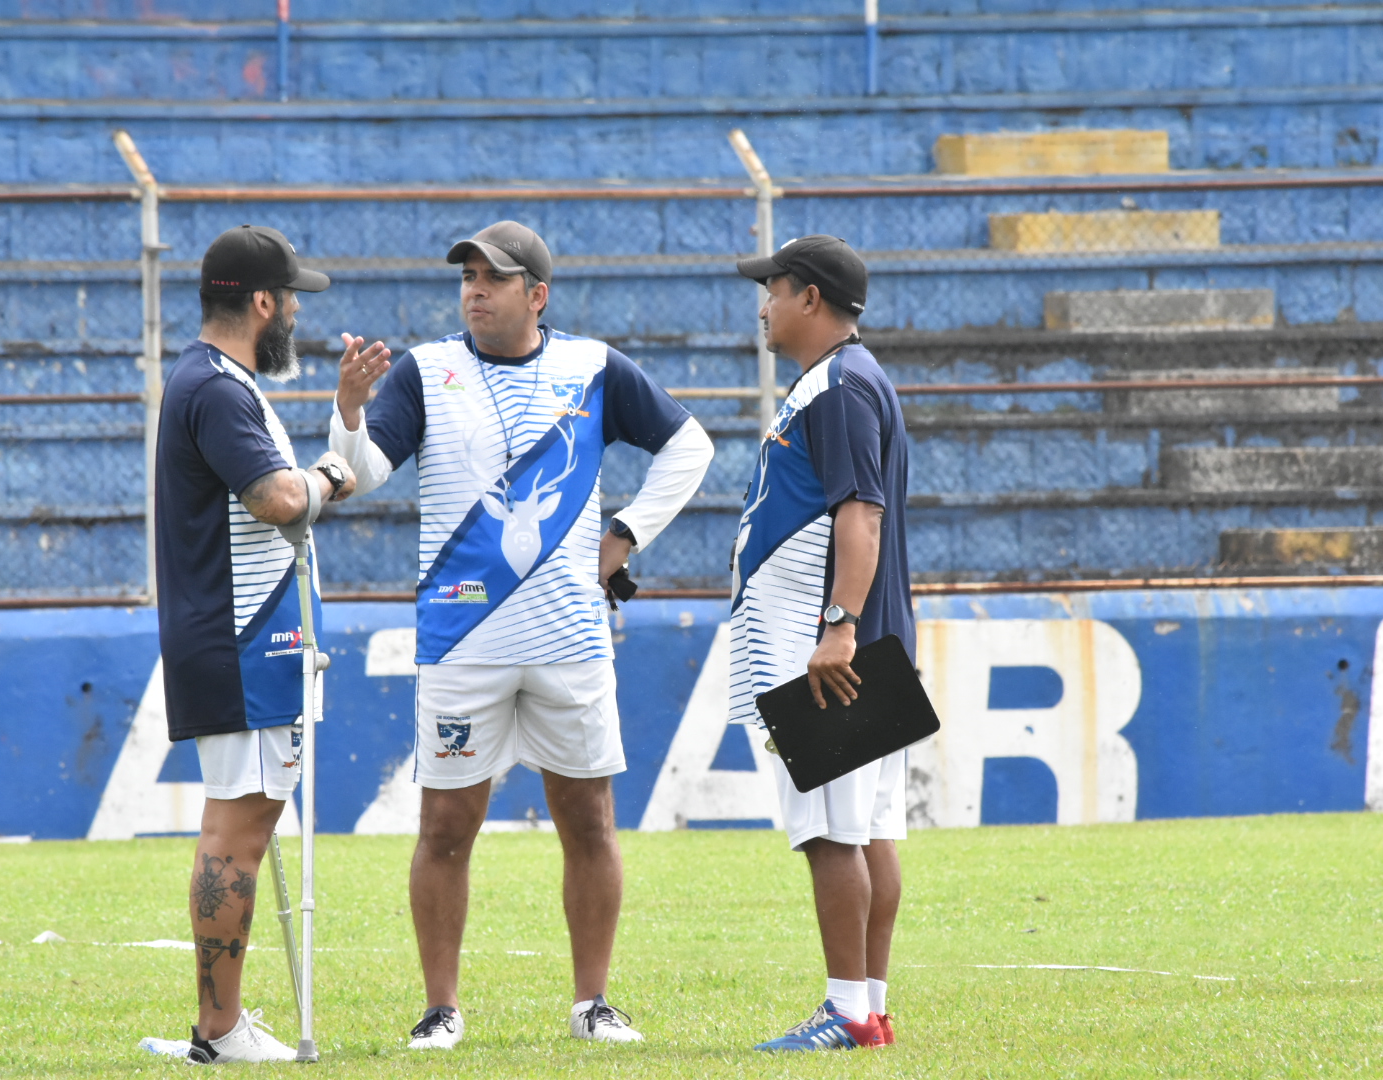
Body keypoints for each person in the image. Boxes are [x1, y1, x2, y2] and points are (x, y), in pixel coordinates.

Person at [327, 220, 714, 1049]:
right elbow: (360, 475)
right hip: (461, 641)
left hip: (570, 639)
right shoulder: (427, 371)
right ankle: (441, 1008)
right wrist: (349, 410)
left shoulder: (594, 367)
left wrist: (627, 533)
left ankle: (593, 1003)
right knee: (444, 830)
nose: (474, 290)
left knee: (590, 824)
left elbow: (691, 445)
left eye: (493, 278)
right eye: (467, 277)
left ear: (537, 295)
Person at [155, 224, 380, 1064]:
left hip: (246, 641)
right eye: (289, 299)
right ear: (260, 302)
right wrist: (329, 476)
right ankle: (219, 1029)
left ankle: (218, 1027)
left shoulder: (218, 381)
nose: (294, 313)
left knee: (240, 824)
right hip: (243, 642)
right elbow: (277, 499)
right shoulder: (216, 388)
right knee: (237, 832)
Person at [727, 235, 913, 1052]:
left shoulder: (837, 387)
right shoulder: (847, 379)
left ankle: (845, 1012)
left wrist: (837, 626)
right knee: (868, 830)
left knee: (833, 833)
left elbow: (859, 514)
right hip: (863, 641)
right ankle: (870, 1010)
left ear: (809, 298)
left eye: (771, 290)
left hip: (828, 649)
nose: (763, 307)